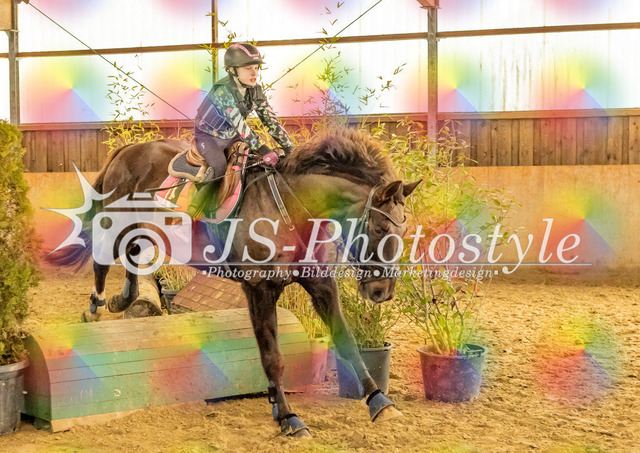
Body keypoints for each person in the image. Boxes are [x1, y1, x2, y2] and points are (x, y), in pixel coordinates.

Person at [187, 42, 293, 218]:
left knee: (253, 163)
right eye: (247, 68)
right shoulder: (222, 91)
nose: (254, 73)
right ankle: (193, 209)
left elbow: (271, 120)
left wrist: (289, 147)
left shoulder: (256, 91)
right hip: (208, 136)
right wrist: (263, 149)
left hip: (232, 135)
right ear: (232, 70)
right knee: (219, 166)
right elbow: (239, 123)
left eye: (256, 68)